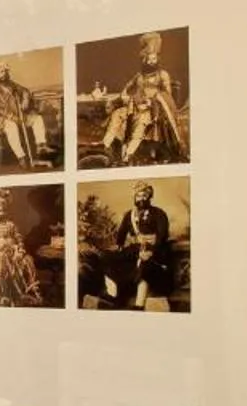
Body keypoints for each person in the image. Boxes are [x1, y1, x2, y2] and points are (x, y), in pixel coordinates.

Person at [79, 181, 176, 308]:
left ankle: (139, 304)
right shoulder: (129, 215)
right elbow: (121, 235)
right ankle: (112, 295)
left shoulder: (159, 213)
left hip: (154, 250)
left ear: (149, 197)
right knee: (106, 257)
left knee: (145, 265)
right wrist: (118, 246)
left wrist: (151, 251)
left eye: (144, 195)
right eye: (138, 196)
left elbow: (162, 236)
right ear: (134, 197)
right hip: (134, 250)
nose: (141, 198)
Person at [96, 33, 187, 165]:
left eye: (153, 59)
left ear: (157, 59)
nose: (150, 62)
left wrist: (153, 102)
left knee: (141, 120)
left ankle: (128, 154)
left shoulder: (163, 75)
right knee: (117, 114)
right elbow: (126, 89)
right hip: (135, 106)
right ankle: (105, 147)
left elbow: (168, 97)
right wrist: (124, 96)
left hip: (154, 110)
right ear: (144, 60)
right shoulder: (139, 76)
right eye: (148, 59)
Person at [0, 191, 41, 306]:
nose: (0, 213)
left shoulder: (11, 224)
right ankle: (3, 293)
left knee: (28, 260)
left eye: (2, 210)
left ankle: (28, 289)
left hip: (13, 250)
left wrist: (21, 250)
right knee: (1, 260)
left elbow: (19, 238)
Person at [0, 62, 49, 169]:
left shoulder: (12, 84)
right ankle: (21, 157)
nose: (4, 74)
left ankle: (40, 146)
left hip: (19, 115)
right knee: (11, 127)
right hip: (2, 119)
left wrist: (25, 100)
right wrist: (10, 116)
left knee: (37, 118)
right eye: (1, 72)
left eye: (6, 71)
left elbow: (25, 91)